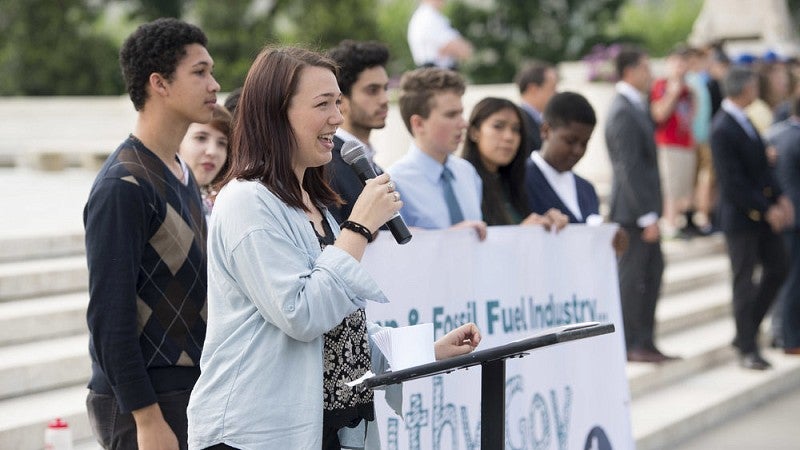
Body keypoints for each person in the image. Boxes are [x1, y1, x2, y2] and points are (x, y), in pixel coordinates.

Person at [185, 46, 481, 449]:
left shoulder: (317, 203)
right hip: (259, 434)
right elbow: (303, 314)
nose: (338, 118)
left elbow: (341, 332)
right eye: (323, 104)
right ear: (276, 112)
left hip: (337, 427)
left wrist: (426, 351)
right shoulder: (246, 200)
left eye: (338, 103)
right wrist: (358, 227)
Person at [83, 18, 219, 449]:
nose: (214, 85)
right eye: (199, 72)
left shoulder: (180, 172)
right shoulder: (122, 184)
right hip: (144, 403)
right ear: (159, 83)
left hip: (189, 390)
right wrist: (146, 418)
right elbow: (109, 317)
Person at [710, 65, 791, 370]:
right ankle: (747, 346)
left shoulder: (745, 121)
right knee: (743, 281)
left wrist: (780, 197)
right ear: (743, 89)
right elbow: (732, 183)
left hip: (762, 212)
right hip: (741, 217)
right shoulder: (722, 127)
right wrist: (765, 208)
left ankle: (747, 329)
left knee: (778, 267)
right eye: (754, 85)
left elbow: (763, 163)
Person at [605, 46, 677, 363]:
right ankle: (632, 343)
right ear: (630, 71)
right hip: (632, 214)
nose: (651, 74)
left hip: (645, 211)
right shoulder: (622, 109)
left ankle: (646, 340)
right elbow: (628, 167)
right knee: (633, 281)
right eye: (647, 67)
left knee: (653, 273)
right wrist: (647, 214)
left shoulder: (637, 105)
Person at [388, 67, 487, 240]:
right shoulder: (394, 183)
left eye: (461, 113)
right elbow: (395, 251)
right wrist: (448, 238)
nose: (463, 124)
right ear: (418, 123)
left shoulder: (468, 173)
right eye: (451, 115)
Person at [461, 96, 568, 229]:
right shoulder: (462, 182)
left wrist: (545, 223)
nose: (509, 137)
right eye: (498, 126)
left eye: (516, 129)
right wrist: (519, 233)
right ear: (474, 132)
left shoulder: (516, 183)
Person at [325, 39, 390, 224]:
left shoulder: (374, 167)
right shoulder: (327, 167)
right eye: (372, 90)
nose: (384, 99)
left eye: (385, 88)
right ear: (341, 100)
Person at [650, 44, 696, 239]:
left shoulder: (689, 90)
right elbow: (658, 114)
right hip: (667, 143)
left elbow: (691, 117)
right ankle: (669, 225)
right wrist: (672, 93)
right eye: (677, 62)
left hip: (685, 142)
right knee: (670, 186)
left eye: (683, 62)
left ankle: (677, 222)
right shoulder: (661, 85)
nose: (680, 66)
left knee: (683, 188)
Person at [771, 95, 800, 355]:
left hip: (783, 214)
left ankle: (779, 332)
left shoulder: (776, 133)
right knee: (793, 281)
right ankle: (789, 338)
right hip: (794, 217)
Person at [178, 104, 232, 218]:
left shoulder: (219, 208)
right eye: (201, 138)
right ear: (177, 141)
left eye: (222, 143)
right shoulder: (156, 198)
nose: (212, 152)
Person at [407, 0, 473, 70]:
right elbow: (462, 50)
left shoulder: (428, 16)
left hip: (435, 71)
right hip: (436, 73)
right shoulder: (429, 17)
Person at [515, 60, 559, 154]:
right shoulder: (519, 121)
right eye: (552, 88)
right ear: (533, 89)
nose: (556, 94)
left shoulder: (541, 121)